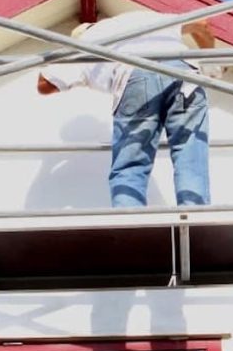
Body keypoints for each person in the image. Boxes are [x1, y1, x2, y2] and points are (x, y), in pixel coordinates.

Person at [37, 10, 216, 207]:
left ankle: (131, 221)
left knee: (131, 163)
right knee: (190, 151)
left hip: (136, 79)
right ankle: (195, 215)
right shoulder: (145, 18)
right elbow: (202, 24)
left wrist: (72, 67)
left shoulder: (84, 42)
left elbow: (44, 85)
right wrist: (211, 68)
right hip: (185, 75)